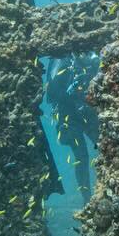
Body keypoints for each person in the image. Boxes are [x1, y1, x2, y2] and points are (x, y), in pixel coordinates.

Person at [46, 53, 101, 193]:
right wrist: (71, 91)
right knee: (81, 157)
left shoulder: (80, 56)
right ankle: (86, 197)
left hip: (85, 112)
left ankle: (107, 185)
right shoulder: (59, 60)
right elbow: (51, 94)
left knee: (104, 145)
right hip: (68, 119)